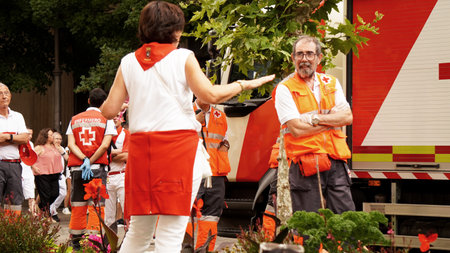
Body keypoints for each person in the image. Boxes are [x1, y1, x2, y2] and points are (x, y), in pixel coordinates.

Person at [100, 1, 275, 252]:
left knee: (139, 230)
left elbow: (108, 110)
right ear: (176, 30)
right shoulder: (183, 57)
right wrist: (243, 84)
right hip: (176, 150)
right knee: (171, 232)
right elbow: (211, 95)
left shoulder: (128, 62)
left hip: (141, 153)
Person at [273, 35, 355, 214]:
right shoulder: (285, 88)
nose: (304, 59)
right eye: (300, 54)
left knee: (344, 220)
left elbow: (347, 117)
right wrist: (331, 120)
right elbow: (296, 129)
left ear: (319, 57)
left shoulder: (331, 83)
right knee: (309, 226)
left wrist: (314, 119)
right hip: (305, 164)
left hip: (335, 161)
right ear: (293, 58)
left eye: (309, 54)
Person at [66, 88, 117, 249]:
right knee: (97, 205)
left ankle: (76, 244)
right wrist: (91, 160)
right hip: (96, 169)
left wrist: (83, 159)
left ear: (88, 101)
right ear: (104, 103)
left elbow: (70, 144)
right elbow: (104, 146)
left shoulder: (74, 119)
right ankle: (95, 244)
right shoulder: (106, 119)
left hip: (77, 169)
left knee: (78, 205)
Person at [186, 98, 231, 251]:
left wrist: (225, 147)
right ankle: (183, 249)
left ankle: (204, 250)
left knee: (212, 216)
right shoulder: (185, 111)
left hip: (215, 173)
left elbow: (225, 139)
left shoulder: (220, 116)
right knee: (185, 213)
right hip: (191, 171)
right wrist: (192, 121)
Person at [0, 82, 30, 216]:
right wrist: (15, 137)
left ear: (10, 96)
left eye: (6, 93)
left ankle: (11, 234)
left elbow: (25, 138)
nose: (3, 96)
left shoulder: (18, 116)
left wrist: (6, 137)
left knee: (15, 203)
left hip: (15, 165)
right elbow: (20, 137)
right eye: (0, 93)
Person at [104, 111, 129, 231]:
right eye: (112, 116)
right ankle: (109, 243)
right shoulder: (106, 135)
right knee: (108, 214)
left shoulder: (126, 134)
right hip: (108, 176)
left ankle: (129, 240)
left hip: (122, 175)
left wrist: (109, 154)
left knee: (127, 209)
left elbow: (127, 156)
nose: (115, 118)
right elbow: (101, 155)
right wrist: (117, 152)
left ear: (122, 119)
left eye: (118, 116)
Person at [31, 128, 64, 217]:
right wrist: (34, 167)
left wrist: (60, 149)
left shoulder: (55, 147)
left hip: (55, 173)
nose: (53, 137)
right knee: (45, 195)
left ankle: (40, 207)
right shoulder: (39, 147)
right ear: (45, 136)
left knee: (55, 193)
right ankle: (47, 216)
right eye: (51, 135)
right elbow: (30, 158)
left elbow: (65, 156)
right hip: (42, 174)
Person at [49, 131, 69, 222]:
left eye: (60, 139)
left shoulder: (61, 148)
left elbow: (68, 159)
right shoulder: (49, 148)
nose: (58, 140)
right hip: (51, 174)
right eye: (57, 138)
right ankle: (52, 212)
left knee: (63, 193)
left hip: (60, 174)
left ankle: (52, 210)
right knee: (53, 194)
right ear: (52, 138)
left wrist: (62, 152)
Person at [21, 128, 38, 215]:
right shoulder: (17, 143)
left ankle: (33, 213)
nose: (30, 136)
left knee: (31, 195)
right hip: (17, 171)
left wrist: (34, 167)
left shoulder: (31, 144)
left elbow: (32, 158)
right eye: (28, 134)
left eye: (31, 134)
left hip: (28, 172)